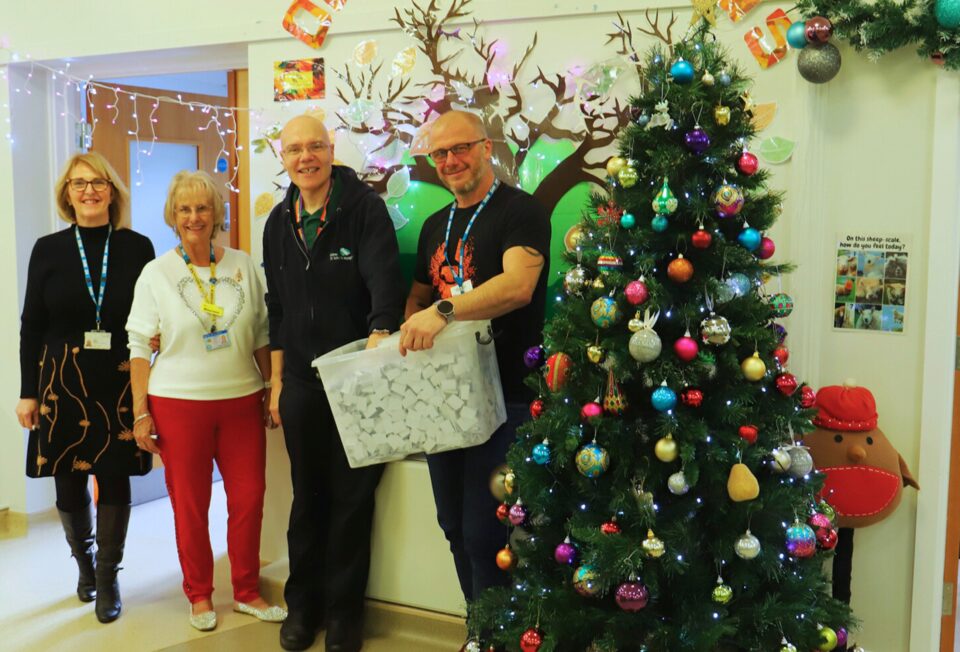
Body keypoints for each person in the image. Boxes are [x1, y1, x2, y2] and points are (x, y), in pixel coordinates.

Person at [400, 111, 550, 619]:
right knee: (452, 525)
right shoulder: (432, 226)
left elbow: (517, 287)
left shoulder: (521, 211)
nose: (450, 161)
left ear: (486, 148)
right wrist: (407, 332)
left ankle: (499, 633)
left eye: (460, 148)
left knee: (488, 530)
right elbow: (418, 296)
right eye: (439, 154)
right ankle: (480, 625)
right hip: (445, 397)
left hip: (507, 396)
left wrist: (442, 312)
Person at [262, 113, 403, 652]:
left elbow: (384, 285)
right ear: (284, 158)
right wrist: (275, 382)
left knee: (351, 500)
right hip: (299, 382)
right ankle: (304, 607)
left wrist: (377, 340)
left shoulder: (364, 210)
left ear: (331, 149)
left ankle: (345, 614)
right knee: (307, 499)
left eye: (314, 146)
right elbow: (277, 309)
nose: (305, 157)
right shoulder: (279, 222)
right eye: (294, 149)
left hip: (357, 380)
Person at [126, 170, 285, 632]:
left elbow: (260, 332)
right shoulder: (156, 273)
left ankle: (248, 590)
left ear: (217, 213)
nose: (194, 217)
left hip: (240, 399)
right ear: (173, 216)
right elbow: (138, 345)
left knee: (250, 498)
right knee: (190, 505)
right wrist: (140, 411)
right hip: (177, 402)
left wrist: (272, 384)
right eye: (184, 209)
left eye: (203, 207)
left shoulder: (243, 265)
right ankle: (198, 594)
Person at [15, 152, 154, 623]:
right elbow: (31, 325)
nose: (89, 190)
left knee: (114, 476)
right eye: (79, 183)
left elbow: (151, 317)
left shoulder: (138, 247)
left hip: (118, 378)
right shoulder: (48, 249)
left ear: (112, 191)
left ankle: (110, 575)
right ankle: (86, 567)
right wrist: (27, 391)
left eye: (98, 182)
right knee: (67, 478)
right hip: (59, 381)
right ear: (67, 193)